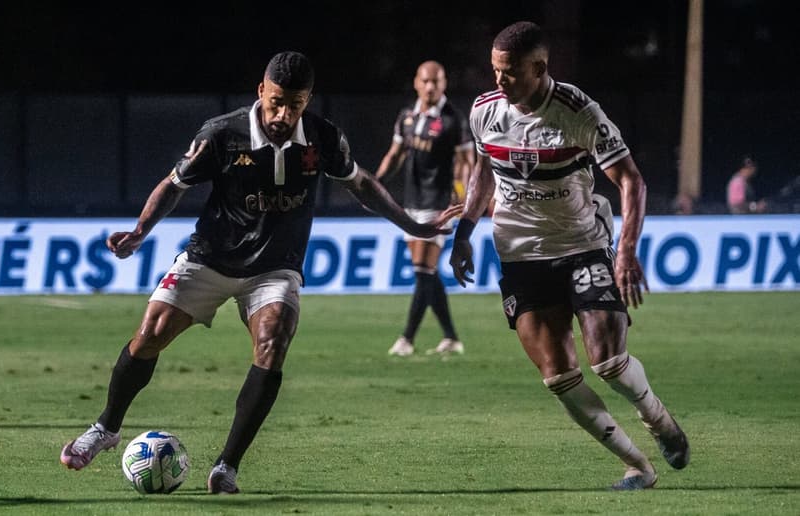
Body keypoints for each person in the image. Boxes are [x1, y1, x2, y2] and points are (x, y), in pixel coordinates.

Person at [59, 51, 460, 494]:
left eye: (295, 104)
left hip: (275, 267)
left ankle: (226, 466)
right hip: (211, 256)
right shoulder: (222, 135)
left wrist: (416, 225)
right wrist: (139, 231)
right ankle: (106, 427)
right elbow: (174, 186)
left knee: (273, 340)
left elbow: (361, 184)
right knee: (151, 332)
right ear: (261, 92)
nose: (283, 114)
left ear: (307, 100)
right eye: (276, 102)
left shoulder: (323, 138)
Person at [449, 21, 690, 490]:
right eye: (495, 70)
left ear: (539, 68)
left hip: (582, 246)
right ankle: (638, 466)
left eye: (510, 72)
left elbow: (631, 181)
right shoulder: (484, 111)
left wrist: (626, 252)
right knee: (559, 375)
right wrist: (464, 232)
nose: (499, 81)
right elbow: (481, 174)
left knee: (607, 361)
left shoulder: (579, 112)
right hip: (519, 257)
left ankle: (658, 419)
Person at [376, 60, 475, 356]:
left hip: (440, 202)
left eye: (437, 81)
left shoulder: (453, 119)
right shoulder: (407, 116)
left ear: (444, 84)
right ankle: (451, 337)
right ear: (417, 83)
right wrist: (373, 185)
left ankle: (406, 339)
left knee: (422, 270)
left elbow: (466, 163)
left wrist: (463, 195)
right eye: (426, 81)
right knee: (426, 273)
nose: (431, 86)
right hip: (411, 202)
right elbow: (395, 155)